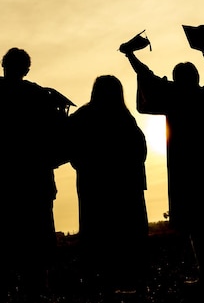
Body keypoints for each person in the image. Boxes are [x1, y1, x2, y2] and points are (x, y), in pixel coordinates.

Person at [0, 28, 73, 302]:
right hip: (32, 183)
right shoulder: (40, 95)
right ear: (26, 69)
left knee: (0, 250)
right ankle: (34, 293)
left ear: (5, 66)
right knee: (33, 253)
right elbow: (60, 135)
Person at [121, 46, 204, 284]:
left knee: (199, 223)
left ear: (177, 79)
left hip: (188, 169)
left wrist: (131, 55)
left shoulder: (175, 95)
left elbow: (147, 76)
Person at [67, 75, 149, 296]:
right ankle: (132, 282)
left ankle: (104, 284)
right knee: (127, 236)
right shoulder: (125, 118)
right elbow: (140, 150)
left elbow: (69, 147)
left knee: (98, 236)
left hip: (94, 187)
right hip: (124, 187)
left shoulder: (83, 117)